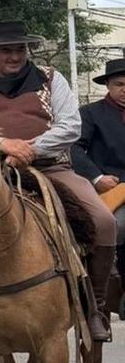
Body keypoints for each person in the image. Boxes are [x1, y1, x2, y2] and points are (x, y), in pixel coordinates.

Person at [0, 19, 116, 341]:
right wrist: (2, 146)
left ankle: (94, 305)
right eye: (5, 50)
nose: (14, 56)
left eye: (19, 49)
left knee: (104, 221)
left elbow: (71, 126)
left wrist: (31, 148)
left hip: (51, 168)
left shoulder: (50, 79)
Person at [73, 57, 125, 309]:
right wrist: (96, 177)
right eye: (119, 84)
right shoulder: (90, 113)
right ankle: (106, 290)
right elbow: (74, 149)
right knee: (118, 226)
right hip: (110, 189)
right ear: (108, 85)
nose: (124, 89)